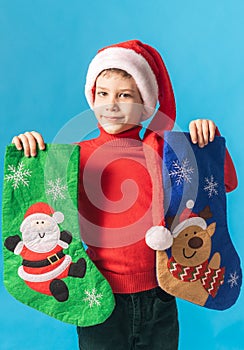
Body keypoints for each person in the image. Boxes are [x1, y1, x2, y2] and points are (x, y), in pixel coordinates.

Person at [11, 40, 237, 350]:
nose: (111, 105)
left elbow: (225, 182)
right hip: (98, 295)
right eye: (102, 94)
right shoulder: (76, 157)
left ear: (145, 104)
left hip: (161, 295)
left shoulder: (167, 153)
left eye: (124, 95)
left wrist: (207, 141)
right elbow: (36, 198)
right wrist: (30, 149)